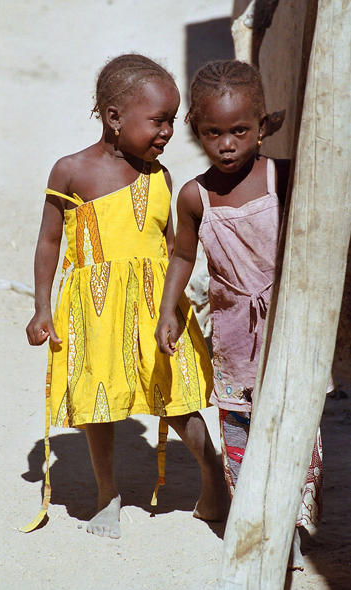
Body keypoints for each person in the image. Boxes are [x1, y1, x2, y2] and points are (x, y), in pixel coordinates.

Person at [25, 54, 228, 539]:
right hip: (94, 310)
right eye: (158, 121)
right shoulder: (70, 171)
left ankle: (212, 473)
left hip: (155, 309)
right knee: (99, 401)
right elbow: (49, 241)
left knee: (175, 396)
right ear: (114, 117)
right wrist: (41, 306)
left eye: (172, 122)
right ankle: (106, 494)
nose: (167, 132)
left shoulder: (161, 179)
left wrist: (176, 308)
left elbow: (174, 248)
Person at [155, 59, 332, 569]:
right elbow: (183, 256)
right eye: (213, 133)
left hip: (288, 328)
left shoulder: (284, 178)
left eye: (240, 130)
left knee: (296, 427)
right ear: (196, 131)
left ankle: (293, 524)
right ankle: (253, 515)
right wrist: (171, 308)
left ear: (263, 126)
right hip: (233, 336)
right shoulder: (195, 196)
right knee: (239, 430)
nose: (227, 144)